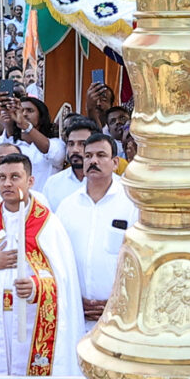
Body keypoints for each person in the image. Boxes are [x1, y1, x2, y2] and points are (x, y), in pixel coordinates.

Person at [0, 148, 80, 379]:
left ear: (30, 181)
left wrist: (36, 287)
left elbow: (62, 280)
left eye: (15, 177)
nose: (7, 184)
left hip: (32, 323)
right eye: (2, 177)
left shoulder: (47, 223)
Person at [53, 135, 134, 331]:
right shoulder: (67, 206)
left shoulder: (132, 203)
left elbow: (141, 257)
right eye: (88, 156)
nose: (93, 161)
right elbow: (57, 259)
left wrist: (117, 302)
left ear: (115, 162)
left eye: (101, 155)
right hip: (76, 314)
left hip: (121, 316)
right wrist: (74, 300)